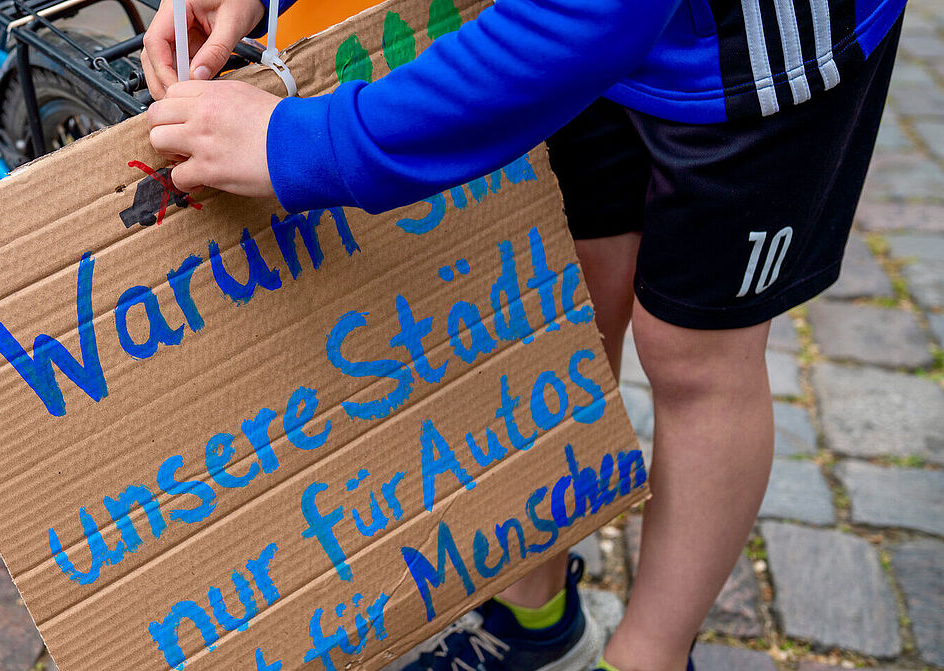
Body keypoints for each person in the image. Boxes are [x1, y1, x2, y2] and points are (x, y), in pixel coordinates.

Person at [139, 0, 905, 667]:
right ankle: (532, 615)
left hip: (757, 51)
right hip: (570, 26)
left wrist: (309, 143)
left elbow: (592, 16)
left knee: (695, 354)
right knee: (571, 289)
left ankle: (650, 657)